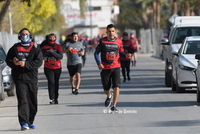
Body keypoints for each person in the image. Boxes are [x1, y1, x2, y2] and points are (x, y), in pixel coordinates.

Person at [6, 28, 43, 130]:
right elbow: (8, 59)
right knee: (22, 100)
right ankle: (23, 122)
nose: (25, 36)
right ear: (19, 36)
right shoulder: (15, 48)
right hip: (19, 78)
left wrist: (25, 64)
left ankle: (30, 121)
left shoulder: (35, 47)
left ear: (30, 35)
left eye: (26, 34)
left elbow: (39, 62)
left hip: (32, 78)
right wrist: (13, 62)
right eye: (23, 34)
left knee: (32, 101)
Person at [94, 24, 131, 113]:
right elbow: (96, 53)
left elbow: (121, 52)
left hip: (116, 67)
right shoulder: (102, 41)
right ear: (106, 32)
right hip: (105, 68)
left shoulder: (119, 41)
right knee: (106, 88)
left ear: (116, 32)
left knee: (116, 86)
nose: (111, 33)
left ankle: (114, 106)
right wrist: (99, 63)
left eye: (113, 31)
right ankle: (109, 96)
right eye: (109, 31)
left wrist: (125, 55)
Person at [41, 33, 63, 104]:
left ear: (55, 39)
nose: (52, 39)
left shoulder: (58, 46)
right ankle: (51, 98)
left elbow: (61, 56)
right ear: (48, 39)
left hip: (57, 67)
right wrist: (43, 58)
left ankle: (56, 98)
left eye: (53, 38)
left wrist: (53, 52)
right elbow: (39, 55)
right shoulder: (44, 47)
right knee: (51, 82)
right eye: (50, 38)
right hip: (48, 67)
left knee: (56, 83)